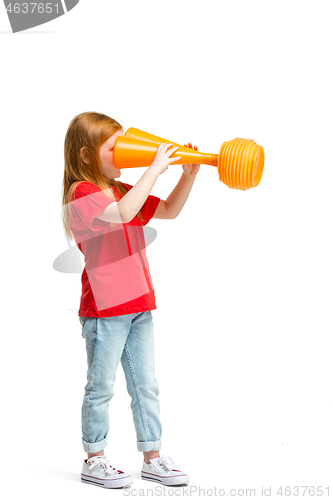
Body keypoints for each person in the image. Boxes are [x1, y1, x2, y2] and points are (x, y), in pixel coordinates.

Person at [61, 111, 200, 489]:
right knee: (100, 385)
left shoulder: (124, 190)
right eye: (114, 148)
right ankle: (95, 458)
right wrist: (154, 168)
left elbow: (168, 210)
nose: (124, 153)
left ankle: (152, 457)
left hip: (139, 304)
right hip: (105, 311)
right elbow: (122, 214)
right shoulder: (83, 193)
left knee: (146, 384)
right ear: (87, 155)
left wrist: (186, 178)